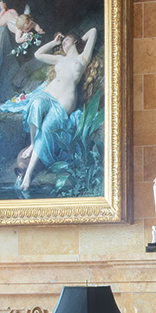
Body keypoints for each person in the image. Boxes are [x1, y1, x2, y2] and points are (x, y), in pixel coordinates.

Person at [20, 25, 98, 192]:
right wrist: (54, 42)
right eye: (62, 42)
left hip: (65, 99)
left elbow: (93, 31)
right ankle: (33, 144)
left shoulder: (83, 58)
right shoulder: (60, 59)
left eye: (66, 41)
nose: (63, 44)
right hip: (49, 94)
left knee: (47, 127)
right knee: (36, 104)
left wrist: (78, 38)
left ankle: (28, 174)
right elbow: (37, 54)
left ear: (75, 41)